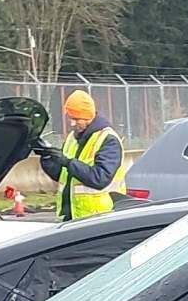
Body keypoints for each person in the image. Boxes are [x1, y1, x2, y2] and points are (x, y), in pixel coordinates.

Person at [35, 89, 127, 221]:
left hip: (100, 218)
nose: (72, 123)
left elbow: (99, 179)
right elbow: (64, 177)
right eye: (70, 118)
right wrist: (48, 159)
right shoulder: (73, 137)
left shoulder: (108, 140)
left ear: (88, 117)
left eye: (76, 119)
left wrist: (68, 162)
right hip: (72, 215)